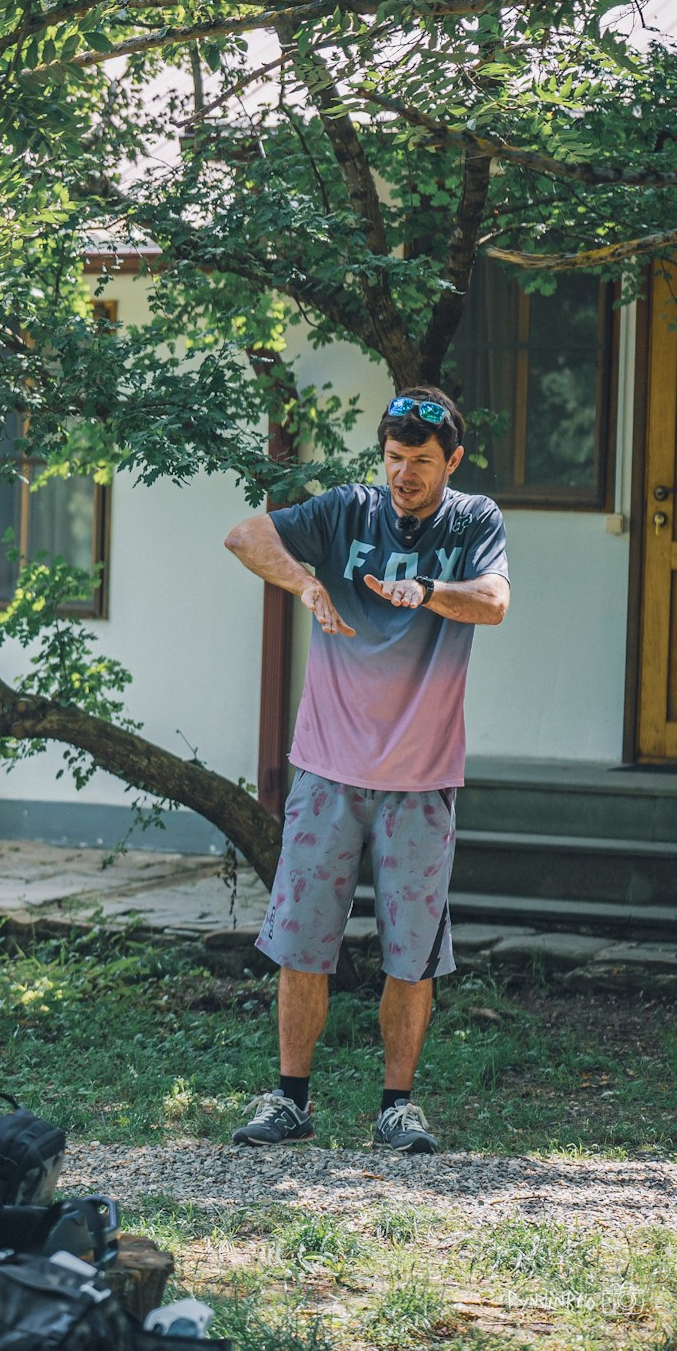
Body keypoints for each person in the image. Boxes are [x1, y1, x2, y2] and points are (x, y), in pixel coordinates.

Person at [221, 385, 509, 1153]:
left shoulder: (476, 521)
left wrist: (429, 591)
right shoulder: (347, 509)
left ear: (452, 459)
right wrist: (305, 581)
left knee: (410, 952)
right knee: (301, 940)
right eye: (392, 458)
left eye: (420, 461)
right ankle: (290, 1101)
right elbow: (245, 535)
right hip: (327, 768)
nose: (403, 474)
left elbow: (495, 600)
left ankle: (397, 1105)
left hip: (421, 778)